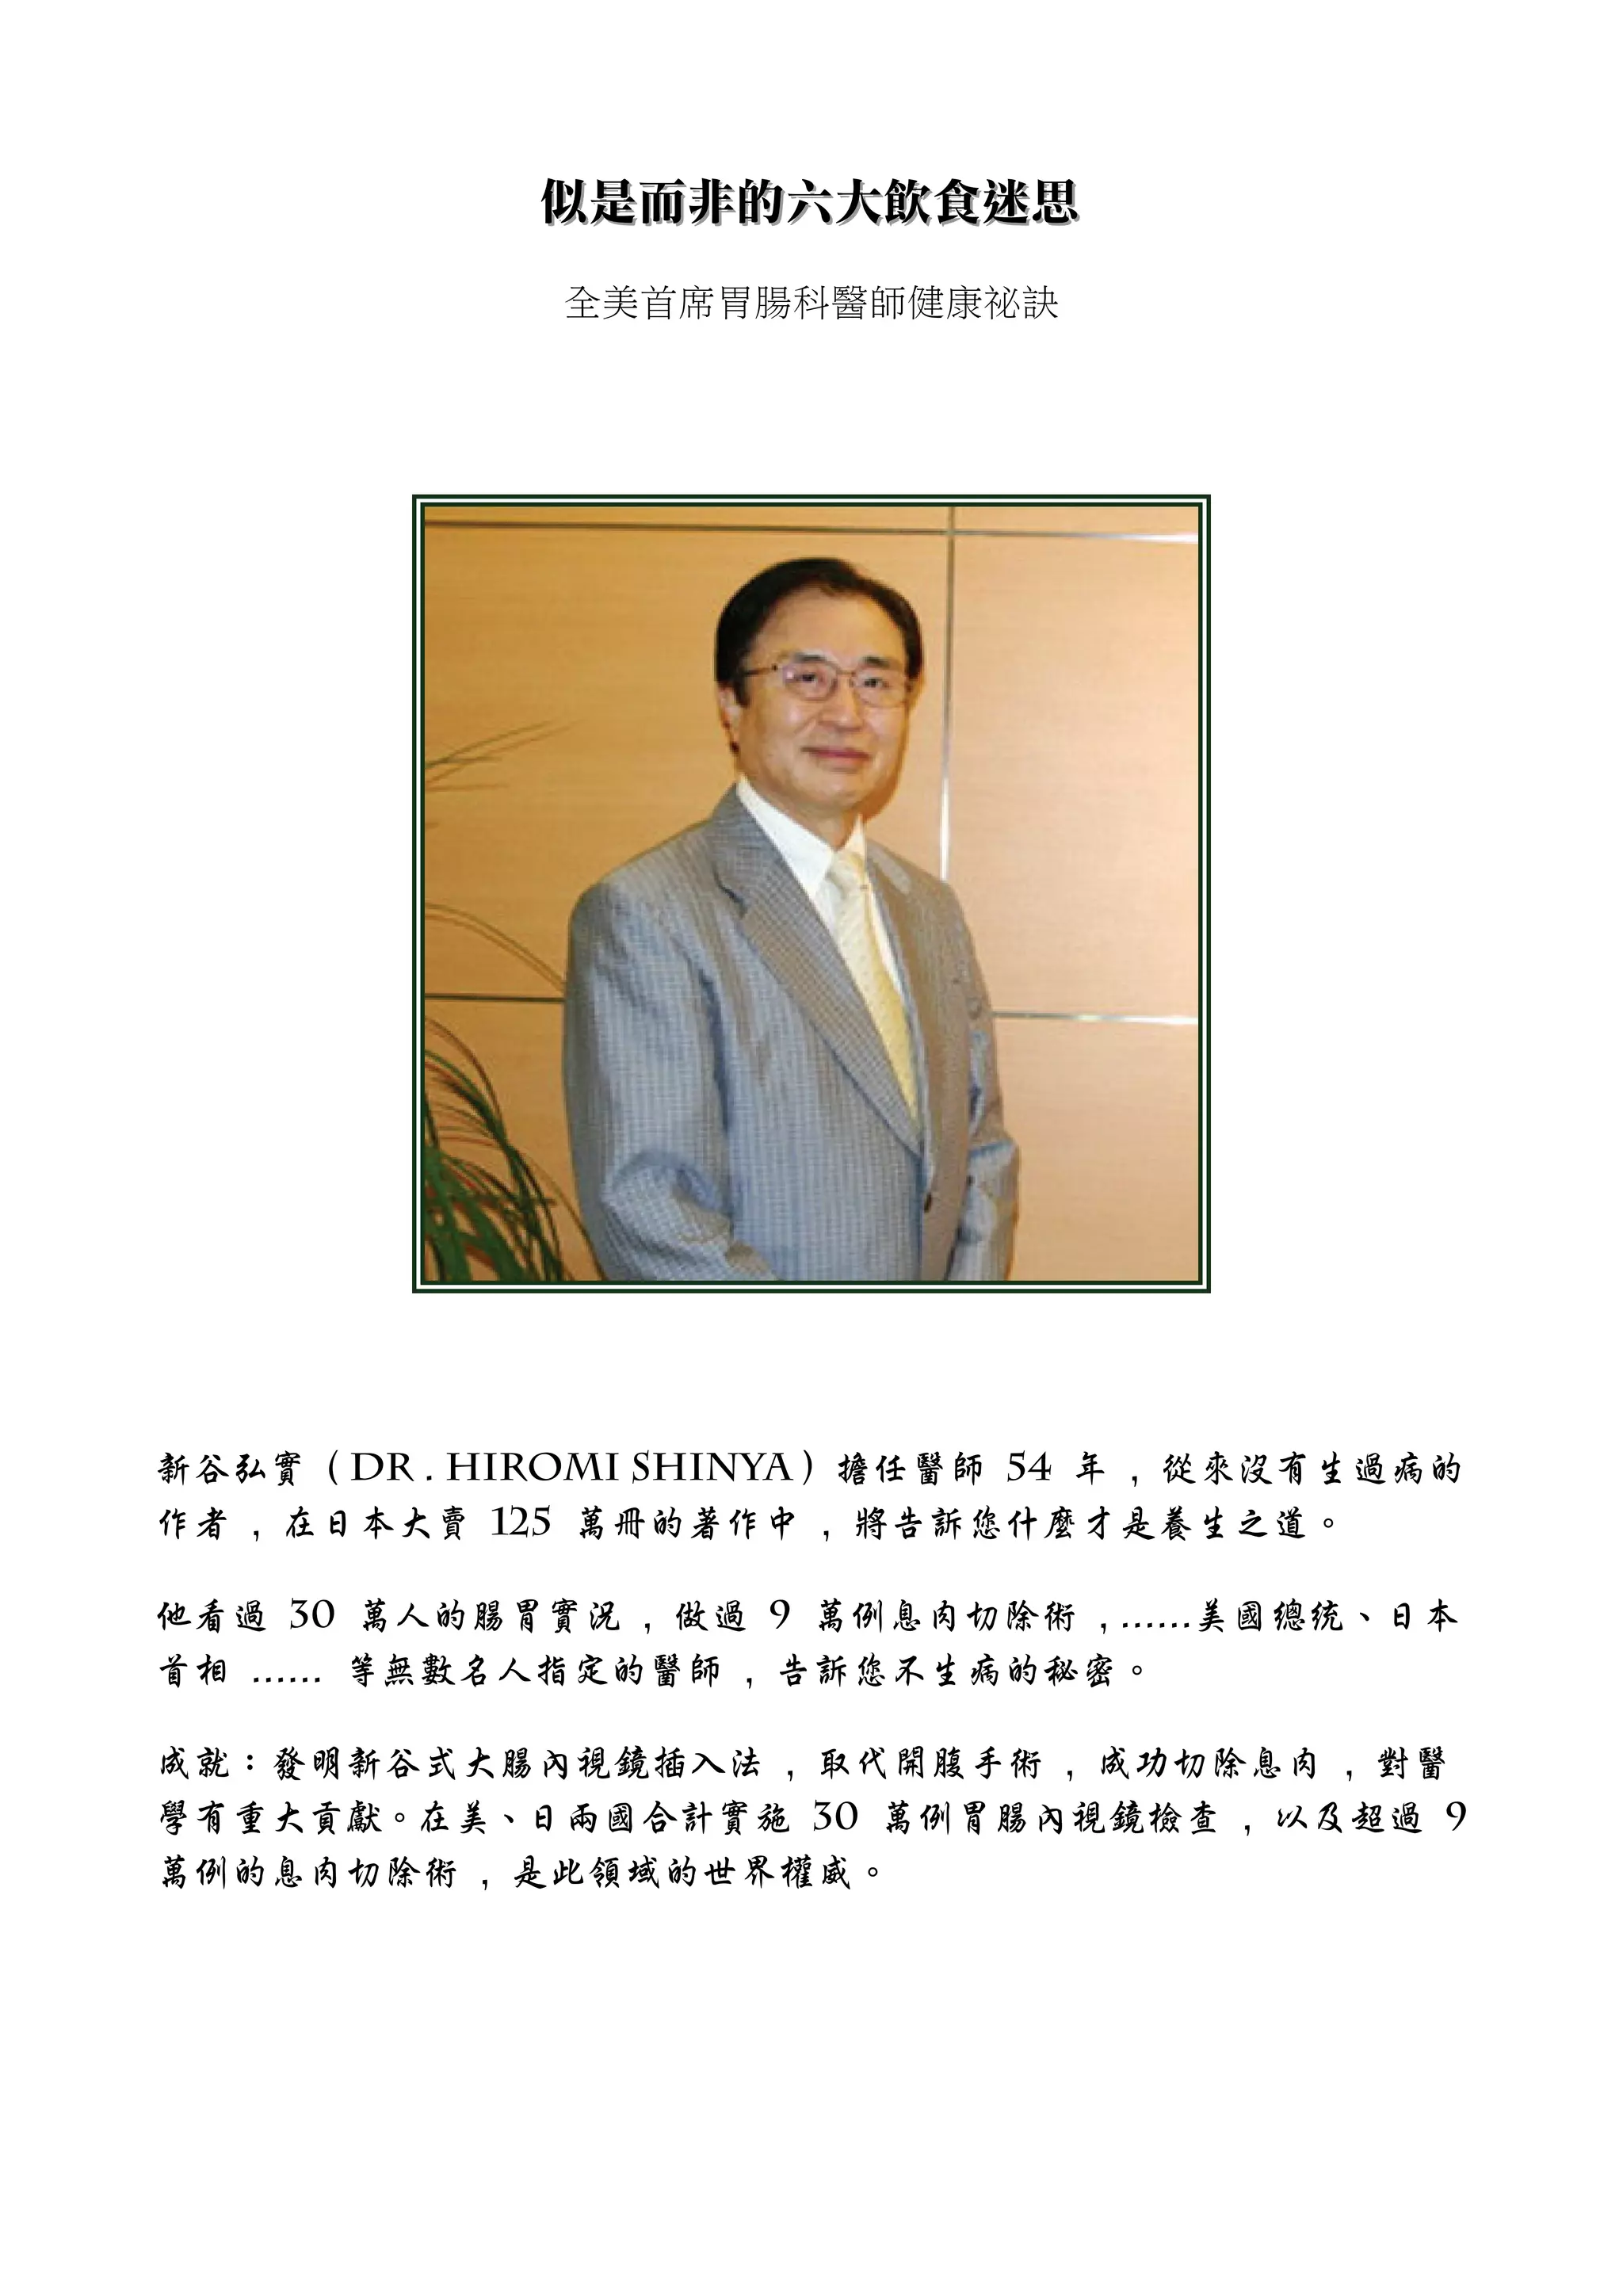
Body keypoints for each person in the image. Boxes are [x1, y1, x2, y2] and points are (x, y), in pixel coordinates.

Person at [563, 557, 1018, 1282]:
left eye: (876, 683)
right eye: (807, 677)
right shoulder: (647, 912)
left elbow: (982, 1150)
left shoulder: (931, 908)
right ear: (731, 702)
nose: (847, 713)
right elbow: (649, 1208)